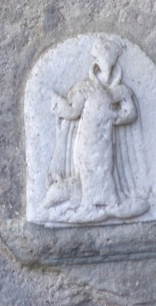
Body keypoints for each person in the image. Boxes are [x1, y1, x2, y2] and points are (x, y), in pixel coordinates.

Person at [40, 37, 150, 225]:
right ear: (97, 61)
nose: (106, 63)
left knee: (105, 168)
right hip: (87, 140)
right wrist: (58, 105)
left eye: (110, 58)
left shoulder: (120, 91)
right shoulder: (85, 88)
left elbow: (131, 113)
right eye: (102, 58)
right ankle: (88, 204)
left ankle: (110, 202)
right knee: (89, 168)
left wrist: (112, 117)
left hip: (105, 140)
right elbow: (73, 111)